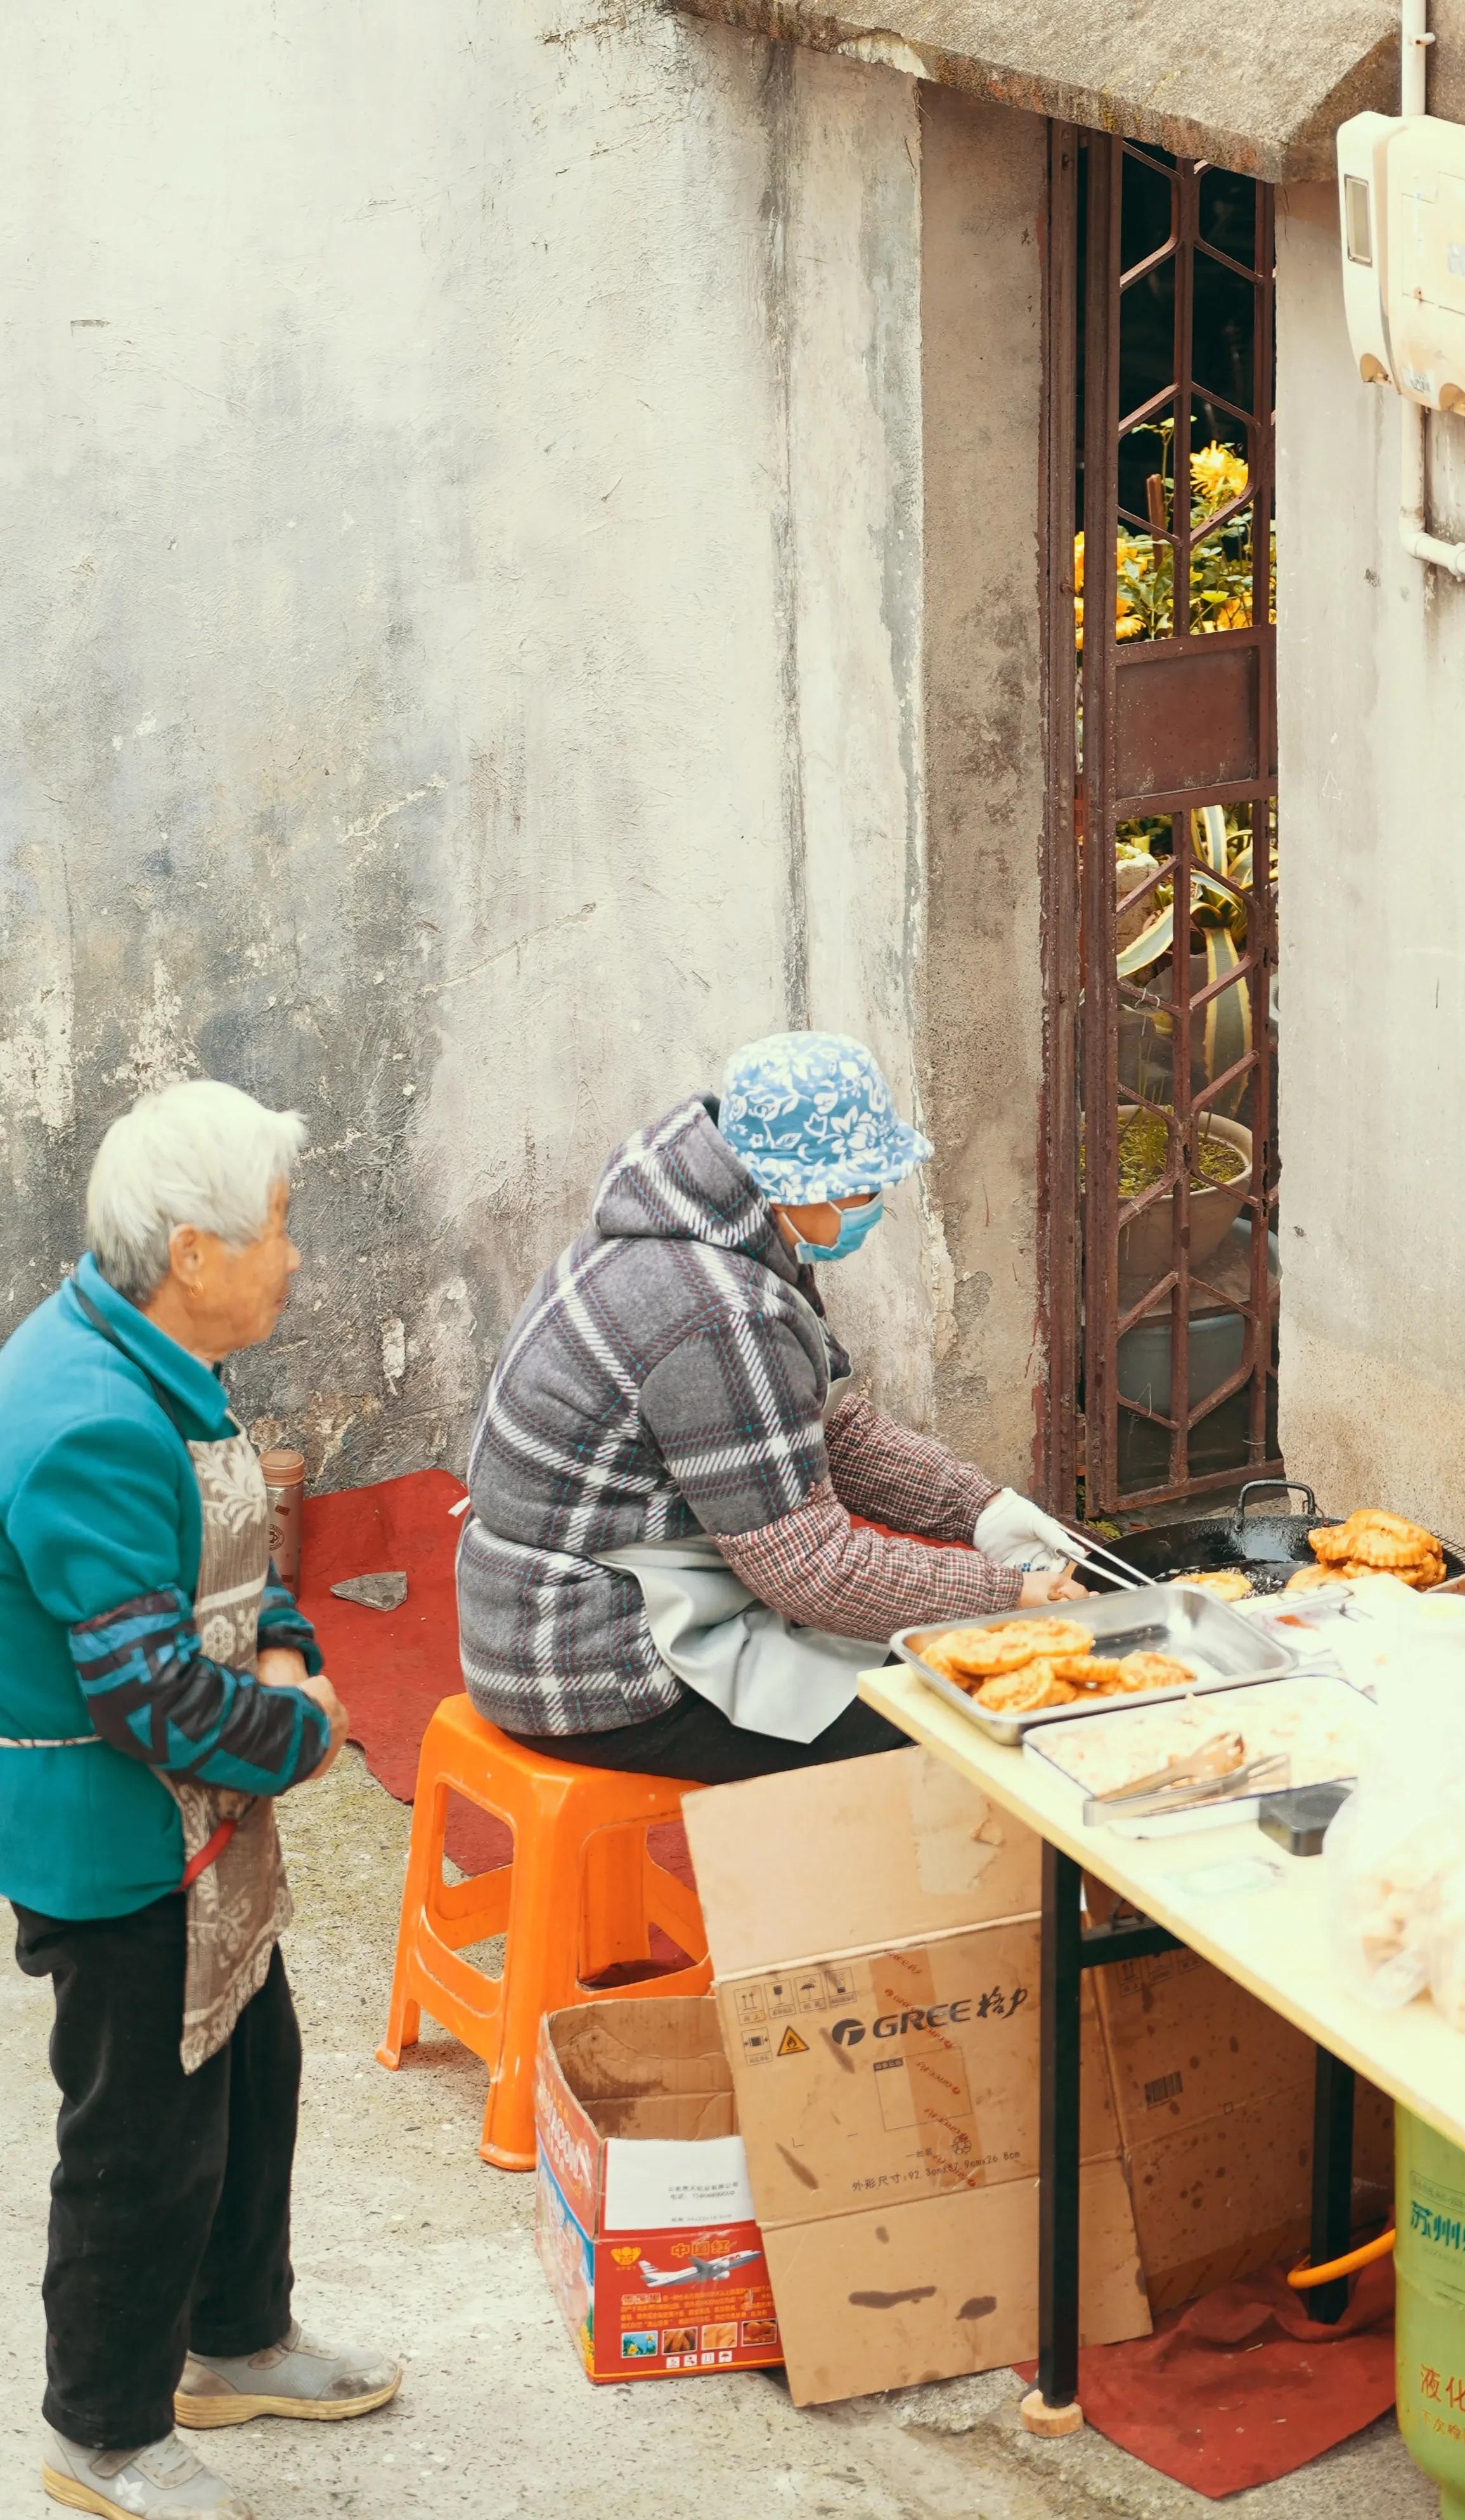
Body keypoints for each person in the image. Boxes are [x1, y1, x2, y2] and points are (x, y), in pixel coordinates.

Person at [1, 1081, 401, 2520]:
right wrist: (297, 1733)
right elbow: (149, 1701)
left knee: (253, 2067)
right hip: (124, 1847)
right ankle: (101, 2430)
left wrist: (288, 1647)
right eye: (279, 1228)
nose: (294, 1257)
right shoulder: (85, 1421)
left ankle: (231, 2340)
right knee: (139, 2143)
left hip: (202, 1825)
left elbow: (242, 1558)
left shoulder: (159, 1357)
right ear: (193, 1249)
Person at [458, 1032, 1081, 1782]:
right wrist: (1003, 1593)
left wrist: (979, 1511)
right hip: (598, 1664)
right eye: (865, 1186)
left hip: (540, 1621)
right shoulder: (722, 1314)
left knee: (909, 1661)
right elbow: (813, 1571)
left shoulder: (703, 1233)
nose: (874, 1207)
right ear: (803, 1186)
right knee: (954, 1721)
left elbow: (825, 1430)